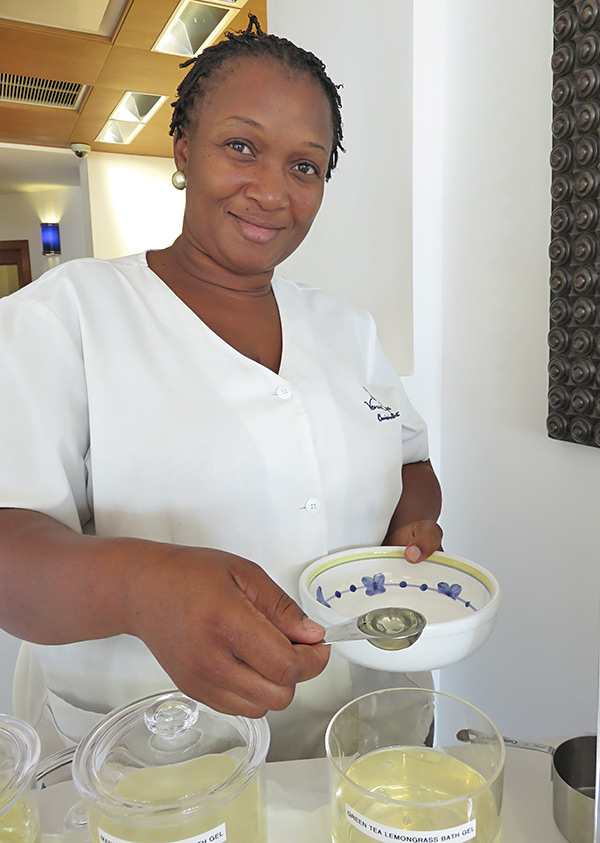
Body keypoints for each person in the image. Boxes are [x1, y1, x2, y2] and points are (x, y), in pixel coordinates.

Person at [0, 16, 442, 761]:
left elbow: (410, 464)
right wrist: (143, 587)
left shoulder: (347, 329)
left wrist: (410, 533)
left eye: (306, 166)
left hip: (363, 731)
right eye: (241, 147)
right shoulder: (63, 317)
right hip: (152, 759)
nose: (271, 191)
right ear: (182, 150)